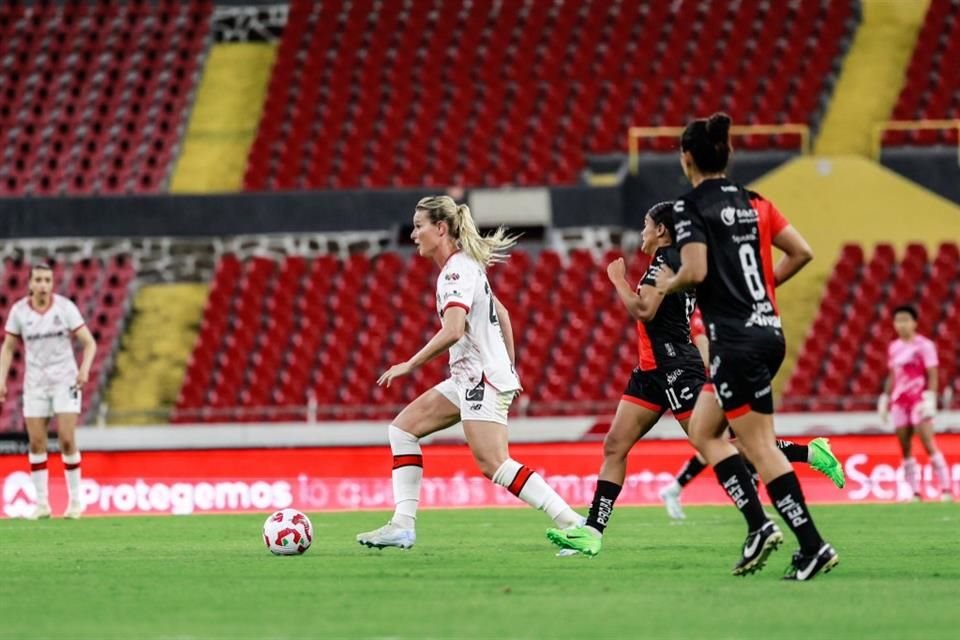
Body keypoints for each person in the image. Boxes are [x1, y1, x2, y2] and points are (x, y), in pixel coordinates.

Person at [656, 112, 838, 580]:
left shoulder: (687, 207)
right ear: (728, 154)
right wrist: (763, 293)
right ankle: (758, 525)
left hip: (734, 340)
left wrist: (667, 286)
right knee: (704, 430)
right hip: (765, 331)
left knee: (758, 447)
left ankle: (812, 545)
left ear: (687, 157)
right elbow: (802, 251)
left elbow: (694, 271)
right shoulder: (756, 201)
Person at [356, 196, 582, 549]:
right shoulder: (466, 265)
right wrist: (508, 365)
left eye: (419, 226)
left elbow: (454, 330)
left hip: (480, 380)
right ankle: (402, 525)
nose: (413, 234)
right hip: (470, 378)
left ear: (441, 228)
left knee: (494, 464)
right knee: (402, 430)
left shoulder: (456, 272)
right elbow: (502, 313)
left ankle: (574, 523)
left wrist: (409, 364)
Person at [545, 201, 706, 557]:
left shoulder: (665, 262)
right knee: (615, 444)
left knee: (716, 444)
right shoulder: (671, 261)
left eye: (646, 225)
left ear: (661, 230)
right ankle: (592, 531)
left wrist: (617, 280)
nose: (642, 231)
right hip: (651, 371)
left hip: (674, 368)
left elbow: (644, 310)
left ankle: (808, 452)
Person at [658, 319, 845, 520]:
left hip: (731, 375)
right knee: (739, 443)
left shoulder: (704, 312)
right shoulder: (703, 314)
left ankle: (676, 488)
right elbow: (707, 356)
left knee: (733, 442)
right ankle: (811, 455)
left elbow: (707, 357)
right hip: (727, 377)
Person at [0, 262, 97, 519]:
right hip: (35, 384)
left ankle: (76, 502)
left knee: (66, 438)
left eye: (47, 280)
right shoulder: (19, 311)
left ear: (53, 283)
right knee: (36, 442)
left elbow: (89, 343)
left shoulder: (65, 308)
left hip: (65, 381)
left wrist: (84, 369)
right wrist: (1, 379)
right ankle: (42, 505)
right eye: (39, 280)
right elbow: (8, 347)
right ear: (30, 284)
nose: (43, 285)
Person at [878, 304, 952, 501]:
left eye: (905, 320)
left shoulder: (924, 346)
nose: (901, 325)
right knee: (905, 446)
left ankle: (945, 489)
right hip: (899, 402)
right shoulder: (894, 347)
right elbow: (893, 375)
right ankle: (914, 492)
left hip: (919, 400)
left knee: (928, 441)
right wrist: (885, 398)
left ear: (914, 323)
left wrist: (930, 398)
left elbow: (933, 373)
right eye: (898, 321)